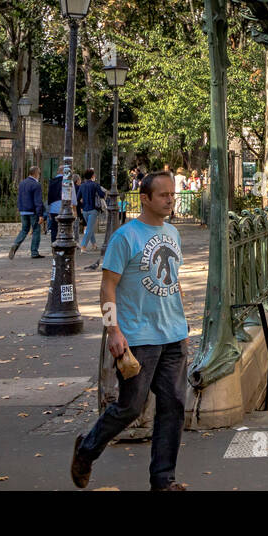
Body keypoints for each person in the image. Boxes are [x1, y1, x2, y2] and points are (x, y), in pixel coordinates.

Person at [71, 171, 189, 491]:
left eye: (172, 194)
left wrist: (182, 321)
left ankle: (163, 481)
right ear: (145, 199)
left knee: (174, 405)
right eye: (163, 195)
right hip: (138, 337)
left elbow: (172, 282)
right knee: (130, 407)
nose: (169, 200)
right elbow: (107, 287)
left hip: (174, 334)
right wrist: (113, 331)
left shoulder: (173, 234)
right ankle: (87, 449)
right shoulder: (126, 237)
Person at [9, 166, 46, 259]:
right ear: (36, 173)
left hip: (23, 210)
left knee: (24, 230)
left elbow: (20, 197)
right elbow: (38, 201)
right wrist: (40, 214)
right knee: (36, 230)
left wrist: (20, 209)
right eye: (39, 173)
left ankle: (15, 244)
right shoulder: (36, 185)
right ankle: (34, 252)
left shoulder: (22, 183)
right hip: (33, 211)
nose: (39, 175)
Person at [77, 168, 105, 260]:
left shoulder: (82, 186)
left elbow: (78, 198)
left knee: (90, 227)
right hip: (93, 209)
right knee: (89, 228)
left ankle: (94, 244)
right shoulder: (95, 185)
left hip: (85, 210)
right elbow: (102, 195)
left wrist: (82, 205)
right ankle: (83, 246)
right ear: (93, 176)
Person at [47, 169, 66, 245]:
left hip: (53, 209)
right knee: (64, 228)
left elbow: (49, 196)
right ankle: (63, 244)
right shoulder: (67, 181)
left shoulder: (52, 181)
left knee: (54, 228)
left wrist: (49, 209)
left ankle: (54, 244)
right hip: (64, 208)